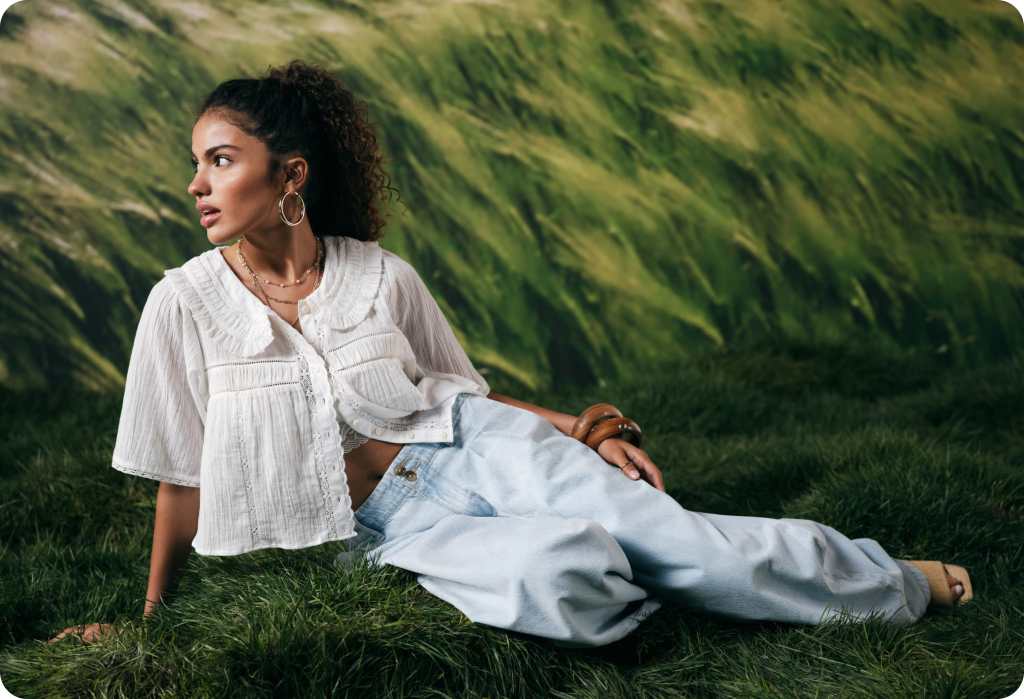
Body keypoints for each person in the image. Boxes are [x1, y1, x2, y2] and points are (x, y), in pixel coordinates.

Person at [48, 59, 972, 648]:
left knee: (689, 544)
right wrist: (150, 625)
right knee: (560, 577)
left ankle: (895, 585)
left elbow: (453, 392)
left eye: (219, 161)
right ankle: (677, 576)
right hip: (388, 532)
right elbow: (180, 479)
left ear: (289, 175)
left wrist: (588, 427)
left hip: (475, 446)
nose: (195, 184)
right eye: (197, 164)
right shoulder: (183, 303)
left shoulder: (379, 275)